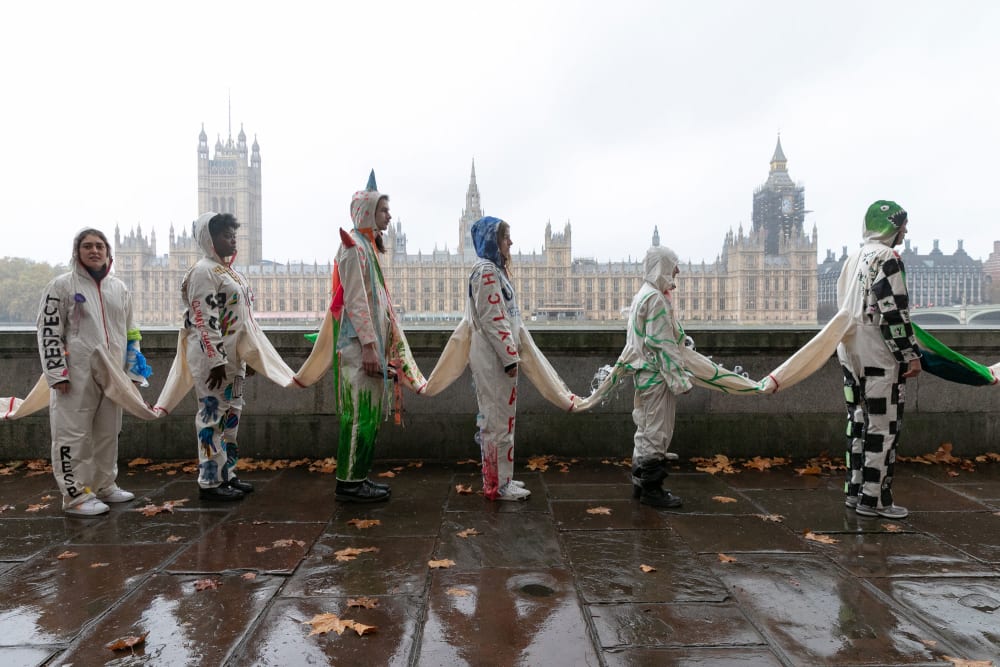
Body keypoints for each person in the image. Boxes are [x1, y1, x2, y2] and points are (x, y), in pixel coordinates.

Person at [36, 228, 151, 516]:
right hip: (75, 374)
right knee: (71, 434)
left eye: (100, 246)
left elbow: (131, 330)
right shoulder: (61, 286)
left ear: (108, 252)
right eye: (87, 246)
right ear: (77, 252)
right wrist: (56, 372)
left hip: (113, 373)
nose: (94, 250)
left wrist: (135, 369)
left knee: (108, 432)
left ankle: (103, 485)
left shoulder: (119, 288)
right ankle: (75, 495)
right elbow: (48, 332)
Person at [838, 200, 921, 519]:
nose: (905, 231)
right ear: (891, 227)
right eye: (902, 225)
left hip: (848, 347)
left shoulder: (854, 256)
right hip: (877, 348)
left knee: (858, 421)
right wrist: (910, 355)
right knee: (883, 425)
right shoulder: (888, 257)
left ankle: (855, 489)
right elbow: (894, 312)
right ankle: (875, 500)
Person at [181, 212, 257, 501]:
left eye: (233, 234)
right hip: (213, 360)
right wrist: (216, 360)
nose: (233, 239)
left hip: (234, 359)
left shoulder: (227, 271)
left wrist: (248, 356)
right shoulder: (203, 271)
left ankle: (229, 473)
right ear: (208, 239)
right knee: (212, 418)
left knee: (232, 416)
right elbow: (205, 319)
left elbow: (241, 319)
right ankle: (210, 482)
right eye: (226, 235)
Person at [330, 186, 398, 503]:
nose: (389, 216)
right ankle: (350, 484)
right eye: (384, 210)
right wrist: (370, 346)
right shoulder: (352, 248)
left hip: (366, 348)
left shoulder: (365, 248)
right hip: (359, 349)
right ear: (369, 212)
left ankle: (357, 477)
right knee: (359, 416)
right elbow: (357, 302)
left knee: (366, 417)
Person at [467, 216, 530, 501]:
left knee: (504, 422)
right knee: (494, 424)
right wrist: (509, 358)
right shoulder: (486, 273)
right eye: (506, 237)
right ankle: (495, 485)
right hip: (494, 361)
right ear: (494, 240)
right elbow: (493, 320)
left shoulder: (495, 271)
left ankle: (504, 480)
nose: (511, 242)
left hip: (501, 358)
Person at [622, 245, 690, 509]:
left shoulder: (644, 294)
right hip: (656, 376)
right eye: (673, 264)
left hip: (643, 374)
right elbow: (661, 343)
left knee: (645, 428)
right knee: (657, 433)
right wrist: (680, 381)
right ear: (662, 266)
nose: (677, 270)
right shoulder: (656, 299)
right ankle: (653, 490)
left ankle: (640, 483)